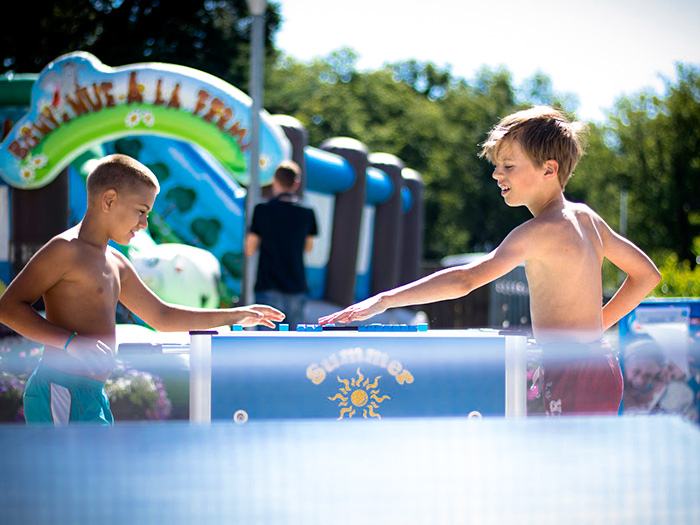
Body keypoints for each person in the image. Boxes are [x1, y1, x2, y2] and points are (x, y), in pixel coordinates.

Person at [319, 106, 661, 416]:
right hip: (599, 362)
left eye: (509, 166)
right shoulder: (587, 218)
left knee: (566, 470)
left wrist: (385, 299)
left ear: (549, 169)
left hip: (571, 369)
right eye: (497, 166)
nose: (498, 175)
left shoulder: (537, 231)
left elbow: (466, 280)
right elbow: (646, 275)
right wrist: (595, 328)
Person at [0, 154, 284, 425]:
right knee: (66, 477)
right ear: (109, 200)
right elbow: (8, 308)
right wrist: (70, 342)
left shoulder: (116, 261)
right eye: (141, 211)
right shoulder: (65, 250)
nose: (145, 223)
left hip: (93, 393)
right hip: (60, 387)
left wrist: (234, 316)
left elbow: (161, 316)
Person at [244, 160, 318, 329]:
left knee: (267, 344)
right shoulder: (307, 212)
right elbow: (308, 248)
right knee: (293, 345)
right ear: (296, 183)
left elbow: (250, 249)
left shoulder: (262, 209)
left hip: (268, 284)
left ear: (274, 181)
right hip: (297, 285)